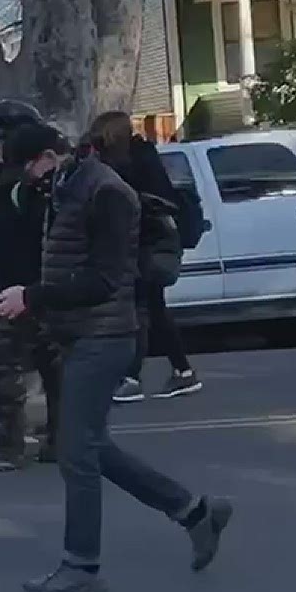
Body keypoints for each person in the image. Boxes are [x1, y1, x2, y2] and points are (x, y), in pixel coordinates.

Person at [0, 123, 233, 592]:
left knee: (77, 454)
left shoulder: (107, 193)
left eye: (30, 166)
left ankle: (81, 564)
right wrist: (24, 297)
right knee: (92, 448)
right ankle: (195, 512)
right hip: (80, 333)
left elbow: (103, 279)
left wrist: (32, 297)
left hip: (107, 335)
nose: (27, 178)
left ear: (51, 155)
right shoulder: (68, 189)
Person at [0, 99, 64, 471]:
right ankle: (30, 437)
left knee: (20, 366)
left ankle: (16, 444)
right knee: (23, 366)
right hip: (12, 285)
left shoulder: (33, 185)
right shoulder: (4, 179)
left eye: (0, 141)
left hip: (31, 286)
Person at [84, 111, 201, 403]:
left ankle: (133, 377)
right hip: (150, 244)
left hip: (149, 245)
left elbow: (132, 201)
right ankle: (181, 371)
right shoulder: (141, 158)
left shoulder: (134, 165)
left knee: (142, 311)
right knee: (151, 309)